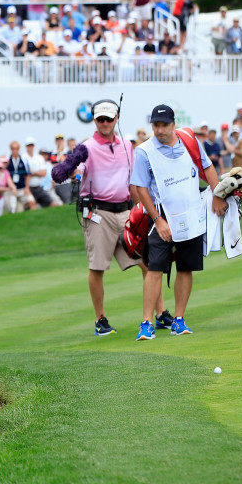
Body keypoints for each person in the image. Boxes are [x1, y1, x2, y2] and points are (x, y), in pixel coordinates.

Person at [130, 104, 227, 341]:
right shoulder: (144, 151)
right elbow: (140, 188)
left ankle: (179, 319)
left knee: (186, 267)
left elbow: (207, 166)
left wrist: (217, 194)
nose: (160, 130)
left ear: (173, 124)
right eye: (156, 125)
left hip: (192, 214)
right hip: (163, 216)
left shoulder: (188, 139)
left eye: (164, 125)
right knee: (154, 269)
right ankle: (146, 323)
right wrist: (157, 219)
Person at [74, 100, 169, 336]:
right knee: (97, 267)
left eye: (109, 119)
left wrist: (141, 209)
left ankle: (160, 313)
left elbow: (134, 181)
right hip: (98, 212)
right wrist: (73, 171)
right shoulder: (86, 147)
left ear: (117, 118)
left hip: (126, 211)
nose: (105, 123)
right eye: (100, 119)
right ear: (95, 121)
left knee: (149, 262)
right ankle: (100, 319)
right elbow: (78, 170)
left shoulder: (127, 145)